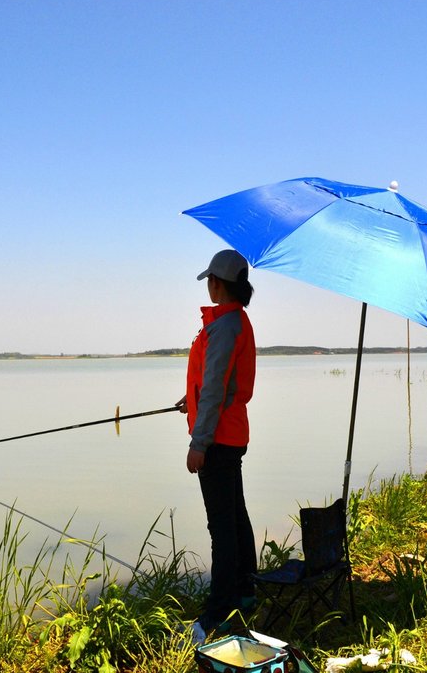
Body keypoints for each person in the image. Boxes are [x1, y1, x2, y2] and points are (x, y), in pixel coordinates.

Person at [176, 249, 257, 642]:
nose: (208, 285)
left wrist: (199, 442)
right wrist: (189, 401)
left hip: (219, 439)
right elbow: (216, 385)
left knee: (221, 528)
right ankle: (245, 591)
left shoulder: (224, 325)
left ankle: (216, 615)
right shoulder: (234, 321)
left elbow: (214, 389)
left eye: (210, 279)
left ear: (218, 284)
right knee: (235, 517)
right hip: (230, 434)